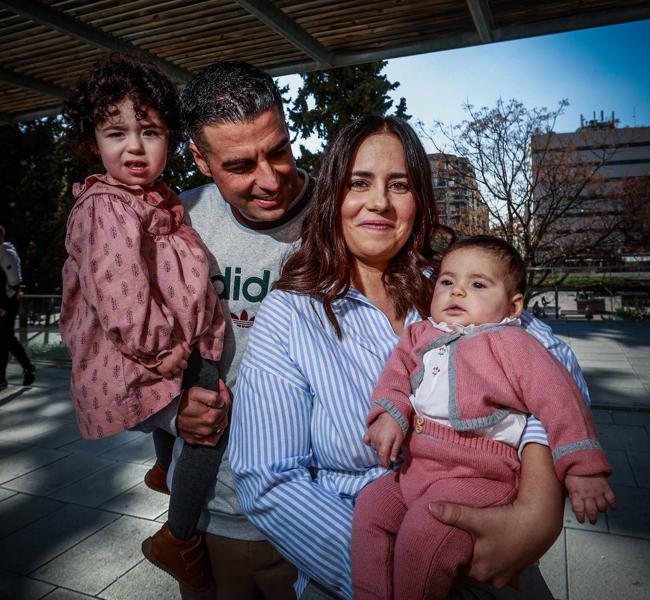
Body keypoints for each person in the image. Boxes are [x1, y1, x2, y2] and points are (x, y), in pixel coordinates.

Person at [230, 116, 593, 600]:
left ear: (418, 197)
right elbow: (268, 480)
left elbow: (555, 367)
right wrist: (407, 570)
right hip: (355, 570)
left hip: (494, 554)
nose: (378, 202)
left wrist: (538, 510)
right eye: (359, 182)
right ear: (333, 193)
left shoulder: (454, 283)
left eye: (398, 185)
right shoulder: (291, 314)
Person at [352, 235, 616, 600]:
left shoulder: (514, 344)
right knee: (371, 507)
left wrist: (583, 467)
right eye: (447, 282)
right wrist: (389, 415)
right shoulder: (420, 334)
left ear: (513, 306)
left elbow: (561, 401)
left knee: (427, 527)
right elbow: (394, 378)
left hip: (480, 473)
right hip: (415, 469)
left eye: (477, 284)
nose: (457, 292)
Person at [59, 53, 227, 591]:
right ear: (94, 142)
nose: (134, 146)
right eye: (117, 132)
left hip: (172, 345)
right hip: (151, 352)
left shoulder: (149, 199)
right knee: (208, 427)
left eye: (150, 132)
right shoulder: (106, 206)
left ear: (170, 141)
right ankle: (177, 539)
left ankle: (162, 467)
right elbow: (120, 292)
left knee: (193, 414)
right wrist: (160, 349)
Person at [167, 60, 314, 599]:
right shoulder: (175, 220)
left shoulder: (342, 219)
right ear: (200, 159)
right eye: (240, 165)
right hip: (211, 515)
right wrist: (169, 412)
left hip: (318, 508)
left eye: (278, 149)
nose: (271, 178)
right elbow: (113, 352)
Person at [0, 224, 36, 389]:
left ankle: (27, 368)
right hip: (4, 300)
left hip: (6, 301)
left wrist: (15, 289)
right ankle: (22, 370)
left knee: (5, 338)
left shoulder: (6, 252)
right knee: (5, 339)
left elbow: (14, 278)